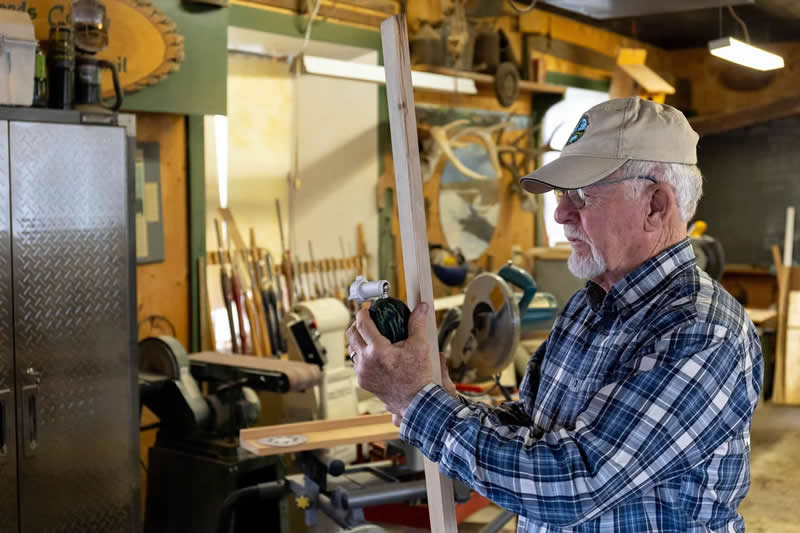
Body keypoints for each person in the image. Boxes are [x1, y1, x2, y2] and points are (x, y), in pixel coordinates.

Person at [346, 97, 762, 532]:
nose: (562, 213)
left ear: (656, 205)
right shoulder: (588, 307)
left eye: (582, 195)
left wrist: (418, 403)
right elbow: (536, 427)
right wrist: (440, 395)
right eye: (564, 194)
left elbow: (575, 484)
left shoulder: (701, 333)